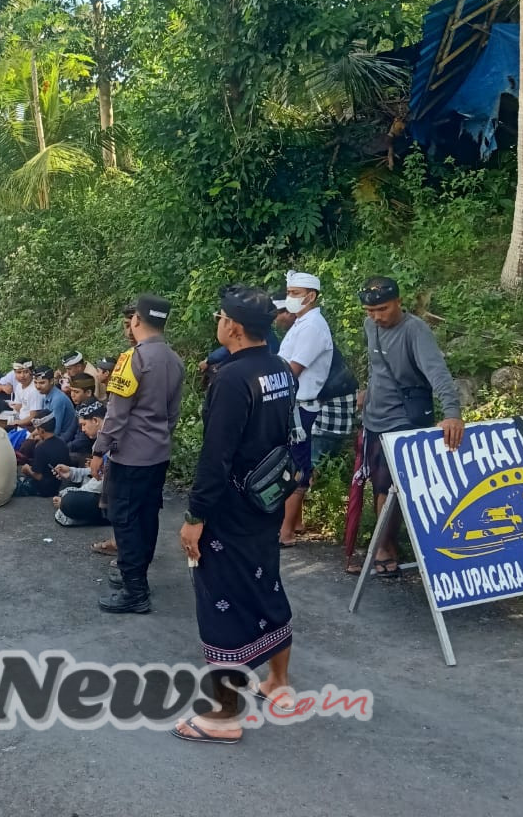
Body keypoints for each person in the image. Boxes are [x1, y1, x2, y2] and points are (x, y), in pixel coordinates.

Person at [174, 285, 297, 745]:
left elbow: (215, 458)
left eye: (221, 316)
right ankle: (278, 682)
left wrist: (195, 516)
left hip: (231, 506)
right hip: (268, 498)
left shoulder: (231, 379)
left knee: (220, 598)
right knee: (265, 582)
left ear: (235, 327)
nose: (218, 322)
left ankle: (224, 716)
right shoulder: (279, 370)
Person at [357, 276, 464, 577]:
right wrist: (368, 391)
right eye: (370, 311)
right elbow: (376, 365)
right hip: (374, 418)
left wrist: (452, 412)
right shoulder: (370, 327)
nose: (376, 316)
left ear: (399, 302)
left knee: (393, 488)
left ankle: (383, 546)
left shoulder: (415, 330)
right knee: (380, 485)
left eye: (382, 309)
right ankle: (385, 542)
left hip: (404, 420)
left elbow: (437, 372)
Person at [92, 294, 185, 614]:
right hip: (157, 454)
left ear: (136, 321)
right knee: (147, 516)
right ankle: (137, 577)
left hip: (130, 456)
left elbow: (116, 414)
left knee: (126, 520)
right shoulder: (175, 359)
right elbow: (173, 413)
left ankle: (135, 591)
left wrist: (99, 448)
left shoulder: (133, 359)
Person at [274, 271, 335, 548]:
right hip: (294, 404)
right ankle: (294, 523)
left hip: (302, 406)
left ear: (311, 296)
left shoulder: (313, 327)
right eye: (290, 292)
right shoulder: (302, 323)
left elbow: (292, 369)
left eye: (296, 293)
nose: (291, 298)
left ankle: (285, 532)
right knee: (293, 461)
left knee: (298, 466)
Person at [53, 402, 111, 526]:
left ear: (95, 420)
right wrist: (72, 472)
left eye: (84, 425)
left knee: (69, 502)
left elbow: (103, 482)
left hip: (114, 495)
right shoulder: (99, 442)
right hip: (102, 487)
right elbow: (97, 473)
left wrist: (71, 495)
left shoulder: (110, 441)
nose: (83, 430)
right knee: (67, 482)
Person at [15, 409, 70, 498]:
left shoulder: (41, 448)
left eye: (37, 429)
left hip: (43, 489)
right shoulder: (63, 444)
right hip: (57, 485)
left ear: (41, 431)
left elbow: (38, 476)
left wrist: (28, 470)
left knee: (15, 484)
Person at [33, 366, 77, 443]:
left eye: (42, 383)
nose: (38, 386)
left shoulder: (58, 399)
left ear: (51, 381)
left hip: (63, 440)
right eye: (35, 383)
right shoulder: (46, 394)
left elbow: (55, 431)